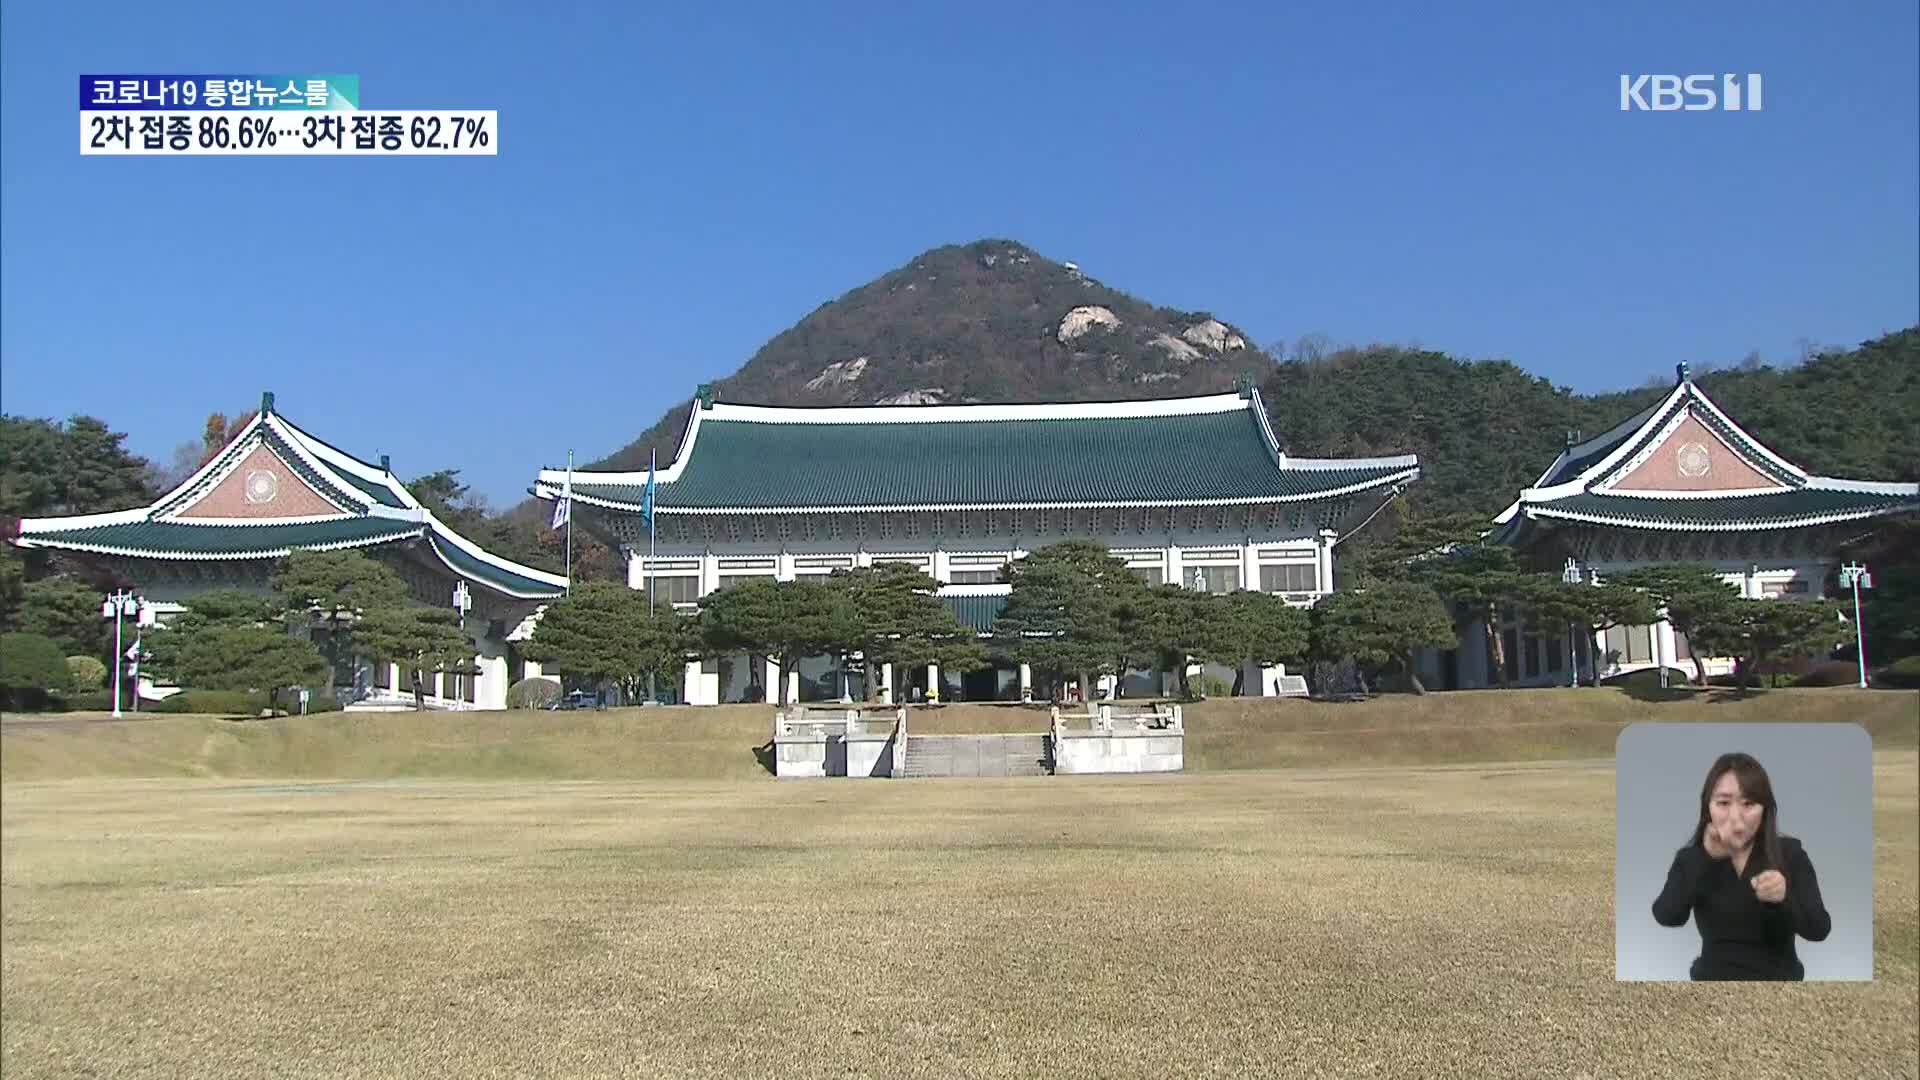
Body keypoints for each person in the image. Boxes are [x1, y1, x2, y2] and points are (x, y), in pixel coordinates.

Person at [1651, 752, 1832, 980]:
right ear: (1708, 808)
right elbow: (1667, 915)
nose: (1735, 818)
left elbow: (1819, 929)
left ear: (1765, 808)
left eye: (1748, 803)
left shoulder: (1790, 854)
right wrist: (1706, 858)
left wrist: (1785, 897)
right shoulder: (1692, 858)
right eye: (1723, 803)